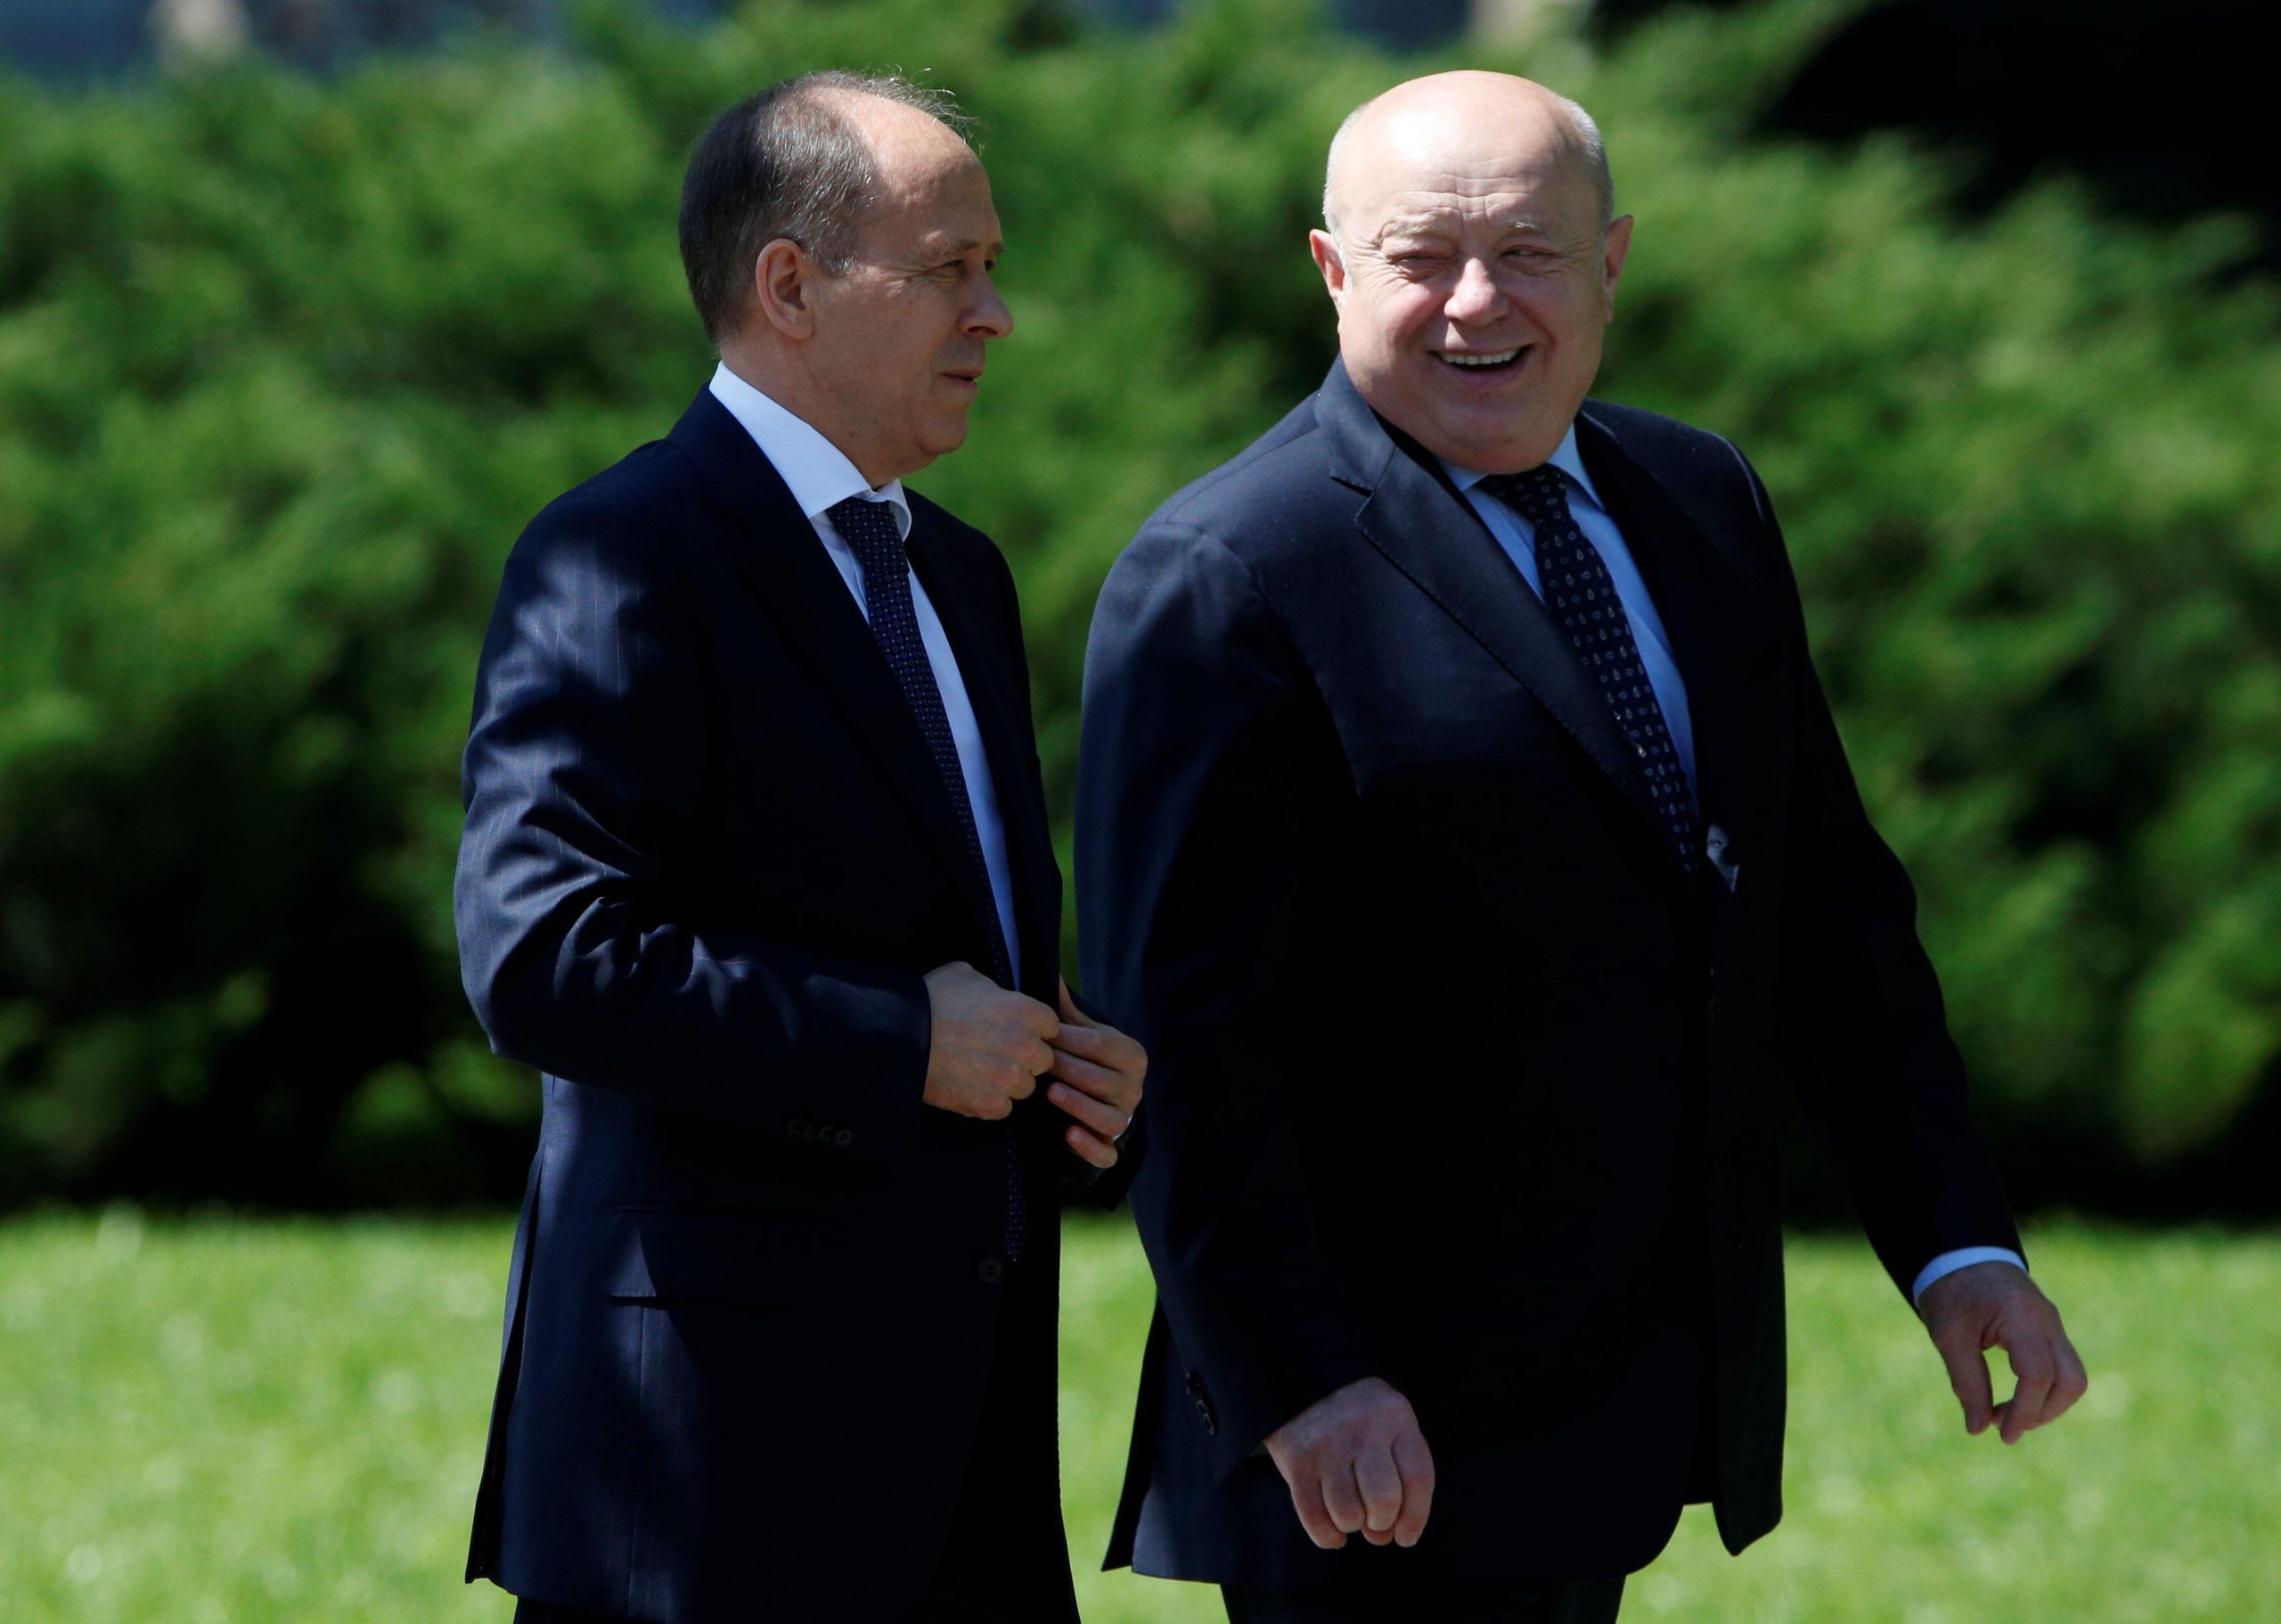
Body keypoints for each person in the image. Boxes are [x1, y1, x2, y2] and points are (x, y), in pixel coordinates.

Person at [1075, 69, 2085, 1624]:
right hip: (1366, 1443)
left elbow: (1825, 915)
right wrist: (1305, 1378)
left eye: (1530, 253)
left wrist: (1956, 1244)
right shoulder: (1227, 574)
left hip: (1628, 1398)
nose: (1478, 301)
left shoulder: (1702, 499)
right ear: (1335, 273)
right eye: (1420, 256)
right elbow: (1179, 1050)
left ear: (1611, 261)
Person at [454, 72, 1145, 1624]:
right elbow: (541, 955)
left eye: (995, 266)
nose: (997, 314)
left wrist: (1065, 1059)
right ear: (790, 286)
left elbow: (934, 939)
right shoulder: (619, 554)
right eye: (950, 267)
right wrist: (902, 1043)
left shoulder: (956, 572)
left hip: (960, 1471)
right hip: (704, 1489)